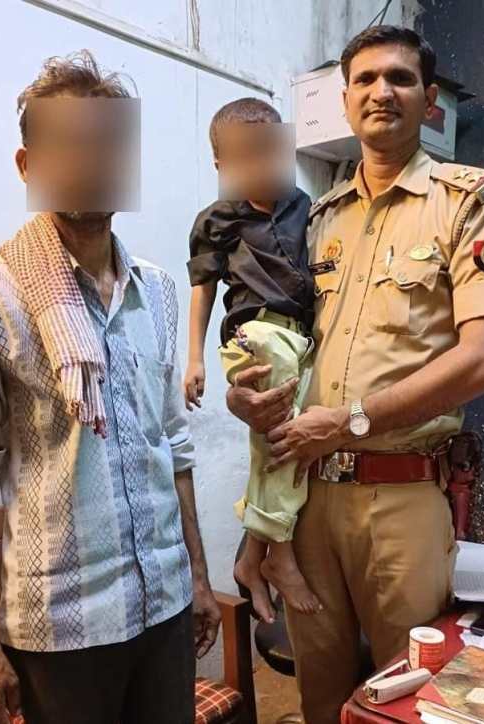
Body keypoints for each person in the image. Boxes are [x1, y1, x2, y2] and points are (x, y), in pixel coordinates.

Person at [226, 26, 484, 723]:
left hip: (401, 496)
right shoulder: (318, 218)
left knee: (408, 697)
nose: (380, 91)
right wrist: (250, 404)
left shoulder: (472, 201)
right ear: (345, 100)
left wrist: (350, 421)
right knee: (321, 694)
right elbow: (290, 351)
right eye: (364, 79)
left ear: (429, 101)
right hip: (307, 498)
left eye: (399, 78)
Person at [0, 50, 220, 724]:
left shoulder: (158, 292)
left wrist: (199, 578)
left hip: (166, 604)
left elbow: (171, 448)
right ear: (28, 165)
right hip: (62, 630)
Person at [184, 98, 321, 621]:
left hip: (300, 337)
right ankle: (278, 553)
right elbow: (202, 290)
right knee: (281, 426)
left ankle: (252, 555)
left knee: (297, 434)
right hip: (253, 335)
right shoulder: (216, 220)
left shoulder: (306, 207)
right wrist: (194, 361)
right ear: (222, 165)